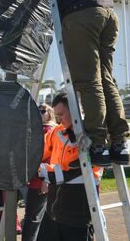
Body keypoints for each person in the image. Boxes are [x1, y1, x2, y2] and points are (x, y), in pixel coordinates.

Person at [33, 0, 130, 166]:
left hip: (82, 14)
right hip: (106, 13)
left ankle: (97, 144)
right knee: (106, 80)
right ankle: (119, 142)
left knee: (88, 82)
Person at [37, 93, 101, 241]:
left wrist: (58, 175)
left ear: (75, 110)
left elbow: (94, 165)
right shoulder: (57, 131)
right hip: (54, 206)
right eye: (57, 114)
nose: (58, 118)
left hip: (79, 206)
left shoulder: (93, 132)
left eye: (61, 114)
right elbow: (39, 150)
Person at [21, 104, 57, 241]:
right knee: (36, 216)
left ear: (50, 113)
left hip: (41, 180)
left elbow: (49, 158)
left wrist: (45, 180)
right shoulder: (37, 129)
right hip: (34, 178)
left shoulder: (50, 130)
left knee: (34, 217)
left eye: (43, 111)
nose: (39, 113)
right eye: (37, 111)